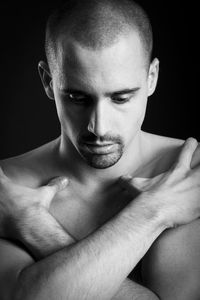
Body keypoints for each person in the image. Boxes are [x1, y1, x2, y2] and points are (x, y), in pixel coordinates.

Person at [0, 0, 200, 299]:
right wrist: (153, 213)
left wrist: (33, 227)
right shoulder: (7, 185)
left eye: (121, 98)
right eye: (78, 97)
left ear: (152, 78)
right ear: (47, 81)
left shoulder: (189, 175)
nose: (99, 128)